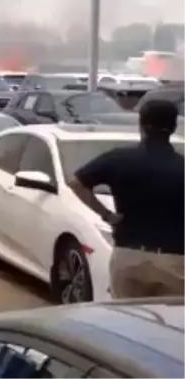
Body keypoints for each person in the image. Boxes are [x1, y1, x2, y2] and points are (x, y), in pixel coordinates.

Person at [69, 98, 185, 297]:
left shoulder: (119, 158)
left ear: (142, 126)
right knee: (170, 325)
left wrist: (107, 215)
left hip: (128, 256)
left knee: (127, 321)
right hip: (174, 261)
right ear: (174, 127)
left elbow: (76, 183)